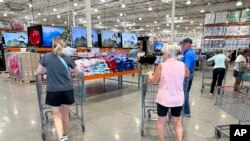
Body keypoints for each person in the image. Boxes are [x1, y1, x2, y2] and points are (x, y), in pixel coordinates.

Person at [37, 39, 79, 141]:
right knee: (65, 114)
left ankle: (61, 138)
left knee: (56, 115)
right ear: (63, 47)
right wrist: (72, 77)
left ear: (52, 46)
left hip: (53, 90)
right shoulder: (67, 58)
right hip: (67, 89)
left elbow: (39, 71)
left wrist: (42, 78)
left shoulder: (46, 57)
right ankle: (65, 135)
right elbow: (77, 72)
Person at [148, 43, 189, 141]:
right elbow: (187, 74)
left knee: (161, 121)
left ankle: (161, 140)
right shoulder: (182, 65)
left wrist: (150, 74)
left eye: (164, 53)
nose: (163, 55)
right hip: (178, 99)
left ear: (168, 54)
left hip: (164, 99)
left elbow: (153, 80)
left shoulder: (162, 65)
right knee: (177, 121)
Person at [180, 38, 196, 117]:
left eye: (184, 44)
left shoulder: (188, 54)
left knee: (184, 93)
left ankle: (186, 111)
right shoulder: (191, 52)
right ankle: (186, 110)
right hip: (191, 74)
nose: (182, 46)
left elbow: (186, 67)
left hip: (187, 75)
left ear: (188, 44)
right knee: (186, 92)